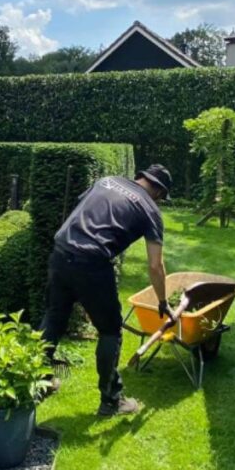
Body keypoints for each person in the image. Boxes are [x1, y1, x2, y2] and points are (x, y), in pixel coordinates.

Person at [42, 164, 172, 417]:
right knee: (110, 330)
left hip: (60, 251)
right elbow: (156, 266)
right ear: (158, 192)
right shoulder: (150, 210)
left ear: (141, 177)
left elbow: (83, 210)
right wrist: (163, 300)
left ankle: (38, 382)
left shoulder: (106, 181)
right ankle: (112, 401)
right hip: (91, 263)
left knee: (53, 316)